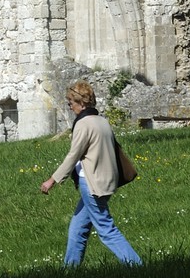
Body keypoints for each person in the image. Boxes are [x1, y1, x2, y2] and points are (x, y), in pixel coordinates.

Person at [39, 79, 142, 267]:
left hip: (92, 183)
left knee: (106, 229)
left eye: (71, 103)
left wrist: (52, 180)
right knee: (77, 229)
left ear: (81, 103)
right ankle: (70, 269)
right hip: (105, 181)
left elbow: (73, 155)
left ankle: (136, 265)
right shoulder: (102, 121)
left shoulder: (84, 124)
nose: (70, 107)